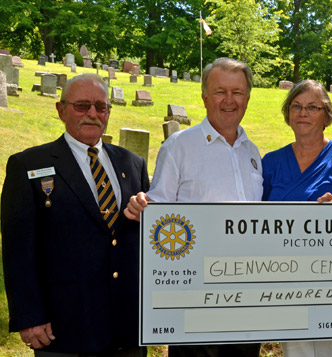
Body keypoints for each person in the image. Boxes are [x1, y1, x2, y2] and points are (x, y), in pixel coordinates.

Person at [1, 73, 150, 356]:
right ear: (61, 110)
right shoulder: (28, 165)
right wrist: (29, 315)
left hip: (126, 326)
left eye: (100, 106)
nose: (92, 114)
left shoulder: (132, 163)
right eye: (82, 106)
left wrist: (149, 211)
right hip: (65, 326)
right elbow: (18, 250)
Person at [124, 57, 262, 357]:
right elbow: (158, 210)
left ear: (248, 98)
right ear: (204, 97)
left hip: (248, 297)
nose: (229, 100)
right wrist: (141, 207)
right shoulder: (179, 145)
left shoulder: (252, 152)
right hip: (196, 294)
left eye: (237, 92)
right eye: (219, 91)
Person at [261, 80, 332, 357]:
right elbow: (256, 221)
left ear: (327, 115)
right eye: (296, 106)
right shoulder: (271, 162)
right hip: (285, 279)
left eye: (312, 107)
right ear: (288, 113)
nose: (303, 113)